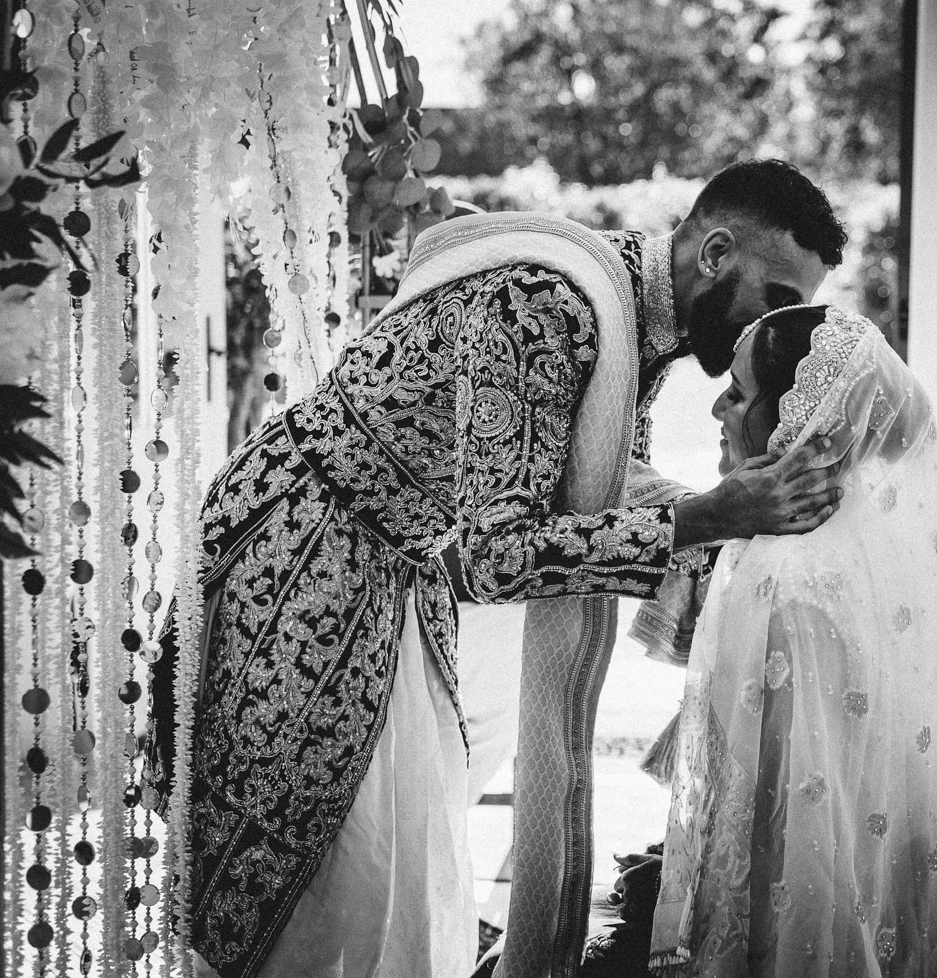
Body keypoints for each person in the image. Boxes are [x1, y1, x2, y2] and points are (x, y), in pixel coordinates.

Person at [157, 160, 851, 978]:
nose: (760, 334)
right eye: (773, 299)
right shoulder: (548, 306)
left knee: (392, 867)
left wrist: (745, 536)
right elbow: (496, 555)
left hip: (390, 568)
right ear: (715, 252)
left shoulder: (633, 320)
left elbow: (608, 479)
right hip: (305, 556)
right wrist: (715, 516)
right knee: (330, 876)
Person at [591, 305, 937, 977]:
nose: (716, 408)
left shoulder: (790, 580)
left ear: (805, 426)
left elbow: (795, 827)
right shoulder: (875, 551)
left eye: (738, 394)